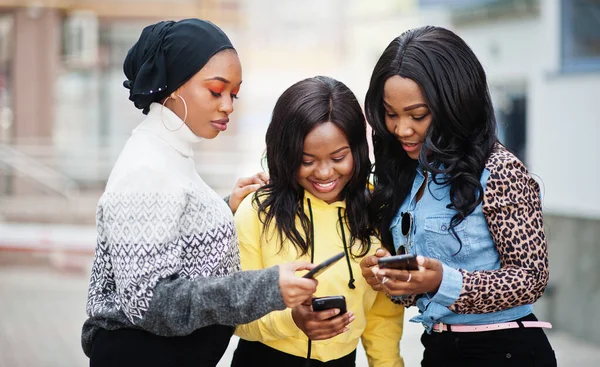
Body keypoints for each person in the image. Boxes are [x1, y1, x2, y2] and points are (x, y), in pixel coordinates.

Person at [81, 19, 318, 367]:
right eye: (216, 90)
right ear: (174, 84)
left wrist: (225, 207)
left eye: (233, 94)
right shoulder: (147, 169)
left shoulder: (168, 152)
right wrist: (267, 288)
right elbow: (151, 301)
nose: (228, 106)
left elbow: (166, 233)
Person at [359, 26, 556, 366]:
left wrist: (443, 280)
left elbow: (531, 278)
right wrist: (391, 280)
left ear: (455, 104)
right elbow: (417, 292)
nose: (402, 129)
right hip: (438, 349)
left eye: (418, 115)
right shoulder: (407, 173)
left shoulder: (499, 170)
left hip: (506, 351)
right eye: (391, 114)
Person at [231, 76, 404, 367]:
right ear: (284, 154)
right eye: (307, 160)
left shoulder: (378, 209)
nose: (324, 173)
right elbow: (233, 312)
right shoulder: (257, 211)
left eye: (338, 157)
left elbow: (382, 317)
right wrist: (291, 321)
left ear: (357, 149)